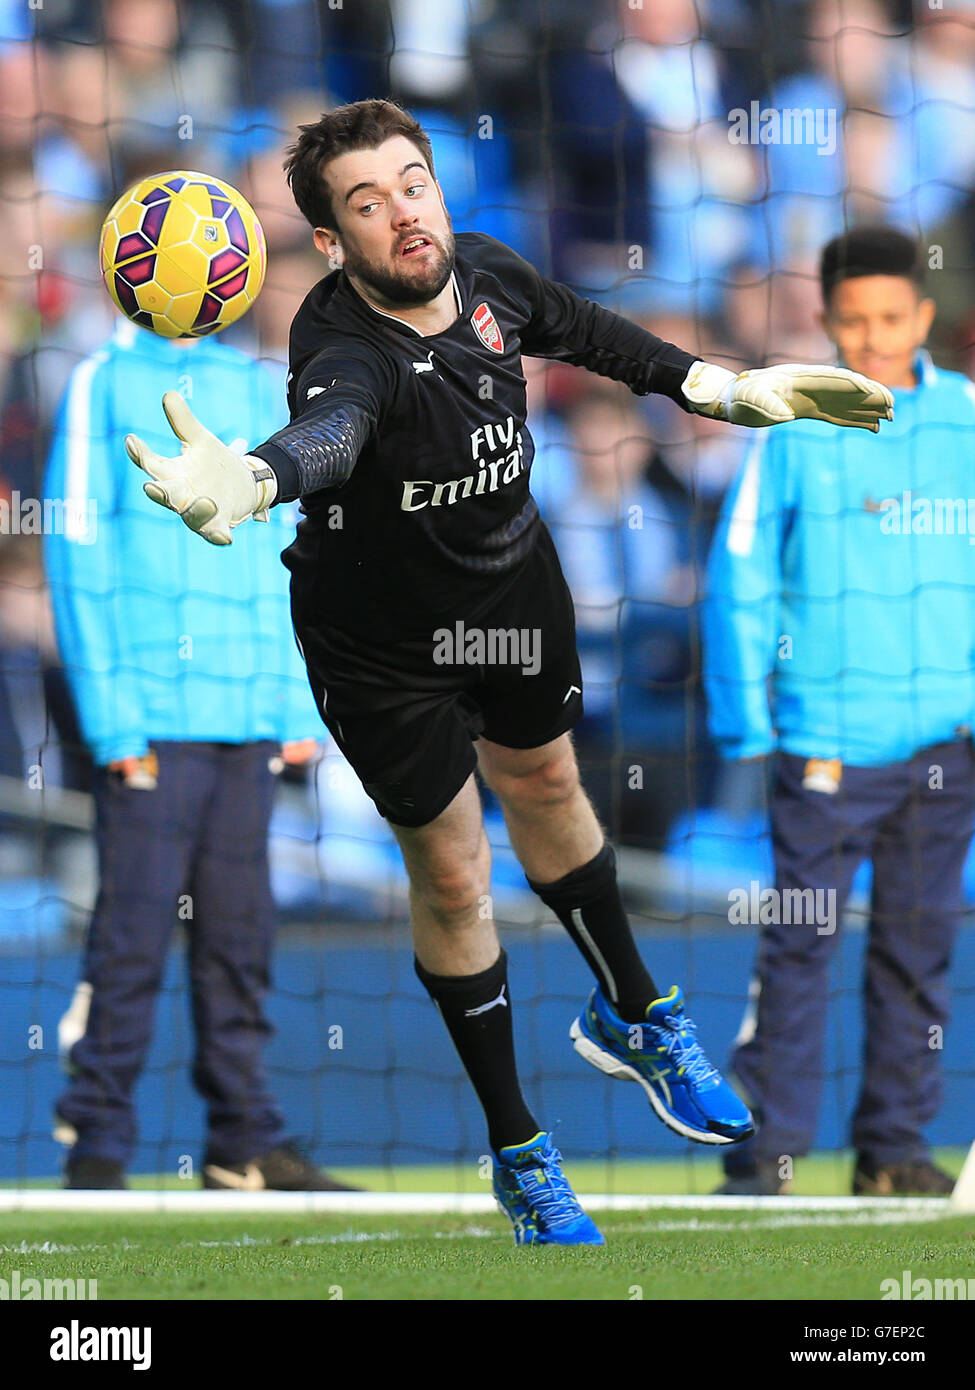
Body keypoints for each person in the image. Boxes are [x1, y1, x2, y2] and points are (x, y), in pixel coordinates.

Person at [124, 99, 893, 1243]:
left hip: (509, 592)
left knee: (547, 785)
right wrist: (250, 479)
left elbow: (596, 335)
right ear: (331, 244)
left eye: (413, 182)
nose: (403, 213)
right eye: (367, 203)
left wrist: (727, 391)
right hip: (379, 649)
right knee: (453, 873)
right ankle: (522, 1151)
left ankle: (639, 1012)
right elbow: (328, 433)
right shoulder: (340, 347)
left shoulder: (487, 274)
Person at [45, 314, 350, 1193]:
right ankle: (96, 1149)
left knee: (240, 939)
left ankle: (242, 1143)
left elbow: (280, 543)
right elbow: (75, 551)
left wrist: (295, 699)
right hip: (148, 717)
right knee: (130, 941)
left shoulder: (256, 382)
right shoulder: (96, 380)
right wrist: (111, 721)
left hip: (246, 715)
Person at [703, 226, 975, 1197]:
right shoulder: (795, 422)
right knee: (799, 952)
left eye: (891, 319)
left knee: (918, 954)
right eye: (853, 321)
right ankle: (763, 1155)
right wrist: (749, 720)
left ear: (925, 316)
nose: (873, 338)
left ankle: (893, 1154)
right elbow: (738, 571)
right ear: (825, 321)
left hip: (947, 747)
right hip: (824, 744)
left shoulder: (968, 425)